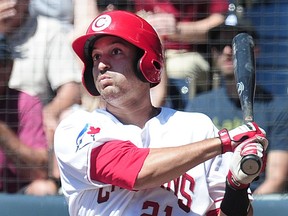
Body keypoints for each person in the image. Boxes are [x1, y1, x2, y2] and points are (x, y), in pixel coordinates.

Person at [54, 10, 268, 215]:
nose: (101, 65)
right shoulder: (76, 128)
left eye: (116, 51)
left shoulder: (198, 128)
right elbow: (133, 170)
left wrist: (238, 183)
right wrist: (224, 143)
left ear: (146, 61)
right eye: (96, 56)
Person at [185, 7, 288, 195]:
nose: (227, 50)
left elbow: (276, 178)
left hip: (254, 202)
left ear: (255, 51)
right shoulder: (198, 106)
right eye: (220, 44)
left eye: (235, 44)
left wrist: (240, 207)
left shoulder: (278, 108)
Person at [1, 0, 82, 182]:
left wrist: (50, 111)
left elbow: (71, 87)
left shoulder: (49, 30)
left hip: (32, 123)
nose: (12, 3)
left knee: (71, 115)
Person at [134, 0, 229, 110]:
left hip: (190, 52)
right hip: (147, 49)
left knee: (178, 68)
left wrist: (178, 29)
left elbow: (220, 23)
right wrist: (142, 24)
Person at [0, 33, 53, 195]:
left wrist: (2, 133)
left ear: (10, 66)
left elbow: (39, 171)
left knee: (44, 189)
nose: (4, 70)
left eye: (3, 64)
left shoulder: (26, 102)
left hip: (13, 194)